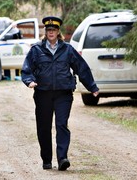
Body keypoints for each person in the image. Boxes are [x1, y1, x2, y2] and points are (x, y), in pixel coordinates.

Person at [21, 16, 99, 171]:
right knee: (44, 127)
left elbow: (81, 67)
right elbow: (26, 69)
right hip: (43, 94)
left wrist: (92, 87)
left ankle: (62, 158)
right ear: (46, 32)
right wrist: (30, 81)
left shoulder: (67, 49)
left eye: (54, 30)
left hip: (63, 94)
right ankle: (47, 160)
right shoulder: (36, 50)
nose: (51, 32)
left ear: (58, 32)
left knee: (61, 124)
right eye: (48, 30)